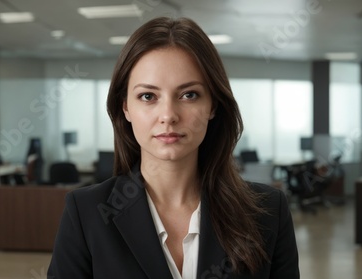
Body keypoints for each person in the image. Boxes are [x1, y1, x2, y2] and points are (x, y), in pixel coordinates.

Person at [48, 17, 299, 279]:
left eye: (189, 94)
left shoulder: (268, 212)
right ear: (125, 107)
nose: (168, 115)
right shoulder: (87, 213)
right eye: (148, 96)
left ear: (213, 105)